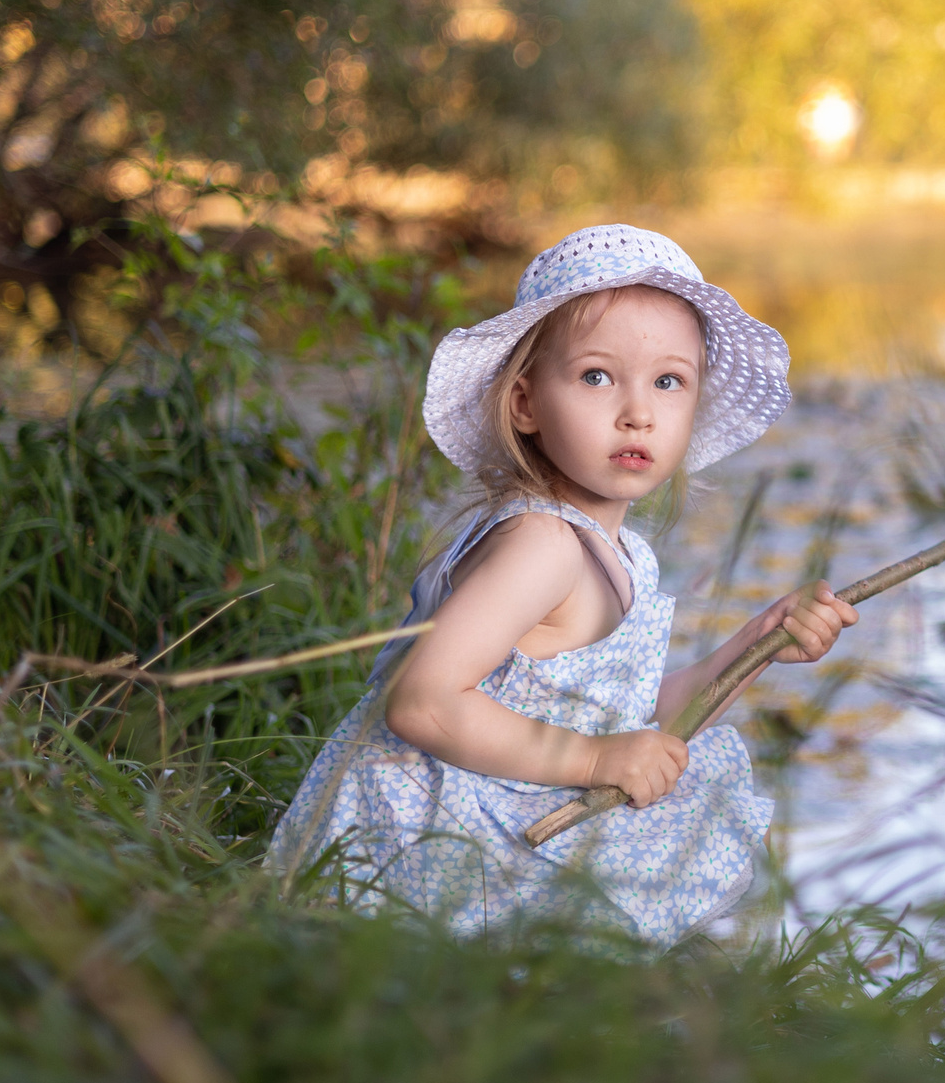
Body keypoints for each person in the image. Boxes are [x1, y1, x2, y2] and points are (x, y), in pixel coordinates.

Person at [271, 224, 856, 943]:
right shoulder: (542, 544)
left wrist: (755, 645)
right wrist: (598, 761)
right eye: (596, 376)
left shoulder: (618, 551)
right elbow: (420, 703)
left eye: (668, 381)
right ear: (524, 403)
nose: (637, 409)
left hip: (498, 817)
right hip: (423, 848)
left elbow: (632, 718)